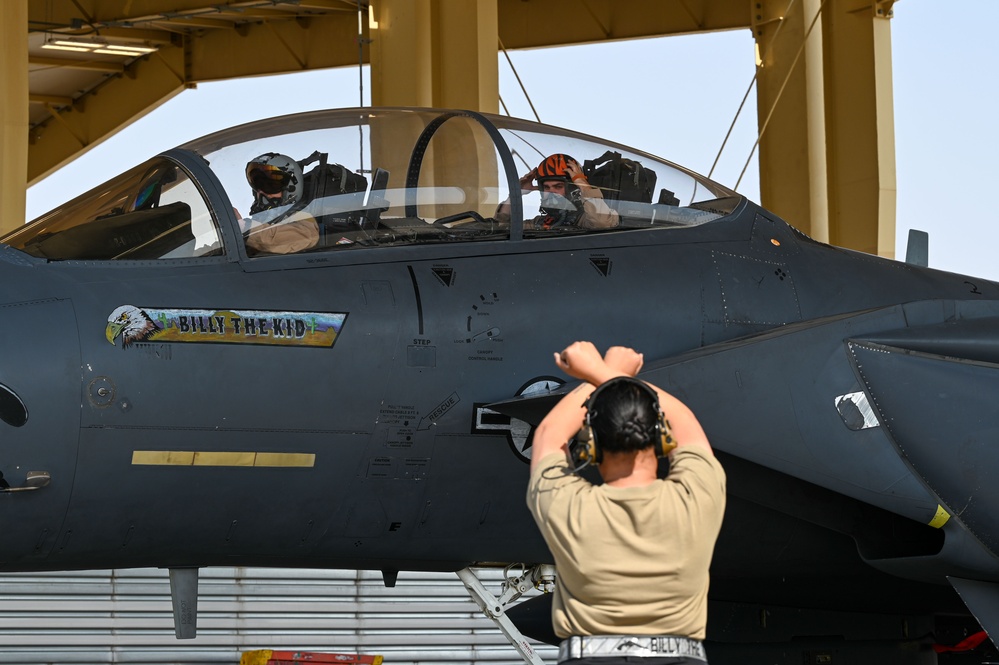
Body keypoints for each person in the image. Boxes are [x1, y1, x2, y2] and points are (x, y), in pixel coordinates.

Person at [527, 341, 726, 665]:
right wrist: (607, 374)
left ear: (591, 447)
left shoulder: (569, 507)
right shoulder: (697, 497)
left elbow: (550, 434)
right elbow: (686, 423)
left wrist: (600, 376)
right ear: (662, 436)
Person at [496, 154, 619, 230]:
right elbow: (501, 228)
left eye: (558, 186)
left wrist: (582, 184)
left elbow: (602, 223)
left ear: (572, 188)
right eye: (547, 187)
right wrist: (515, 194)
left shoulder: (584, 220)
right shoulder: (540, 224)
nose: (551, 192)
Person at [241, 152, 320, 254]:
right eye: (258, 185)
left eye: (271, 185)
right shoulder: (262, 222)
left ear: (292, 189)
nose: (262, 192)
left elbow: (277, 240)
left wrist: (244, 227)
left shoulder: (303, 218)